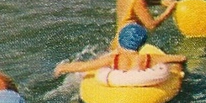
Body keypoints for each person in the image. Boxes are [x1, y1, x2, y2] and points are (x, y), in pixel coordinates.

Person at [54, 22, 187, 81]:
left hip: (116, 83)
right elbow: (180, 58)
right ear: (142, 44)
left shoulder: (113, 59)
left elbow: (83, 66)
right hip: (143, 84)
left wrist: (63, 67)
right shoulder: (148, 58)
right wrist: (177, 69)